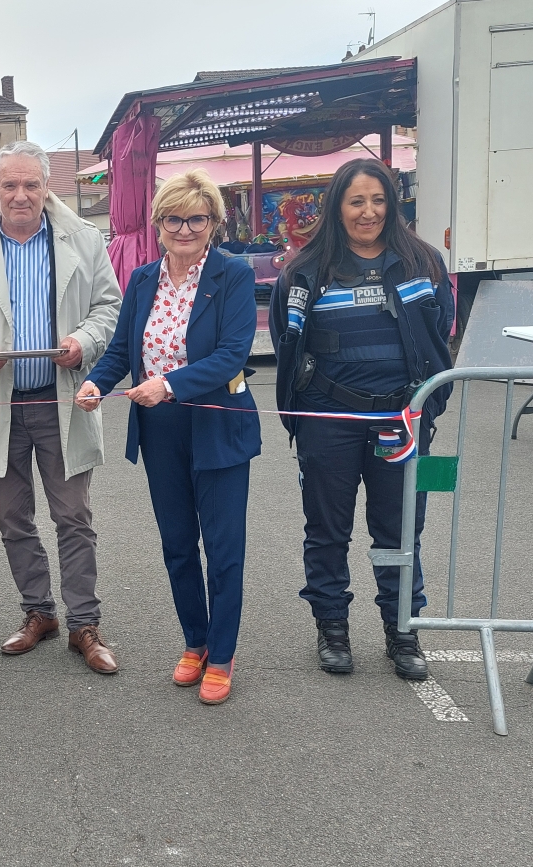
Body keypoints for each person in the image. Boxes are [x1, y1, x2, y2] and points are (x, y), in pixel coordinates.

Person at [0, 141, 122, 674]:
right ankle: (39, 612)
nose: (20, 195)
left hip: (60, 399)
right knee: (13, 518)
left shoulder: (82, 239)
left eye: (30, 184)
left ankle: (84, 623)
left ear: (45, 187)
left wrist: (84, 341)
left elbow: (109, 307)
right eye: (9, 185)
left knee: (73, 517)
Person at [77, 169, 261, 705]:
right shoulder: (142, 279)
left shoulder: (233, 275)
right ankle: (195, 643)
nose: (184, 229)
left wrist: (169, 384)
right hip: (160, 429)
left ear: (214, 224)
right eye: (173, 219)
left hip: (218, 426)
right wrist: (96, 382)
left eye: (196, 219)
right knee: (178, 545)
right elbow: (121, 350)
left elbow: (231, 354)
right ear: (158, 223)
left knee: (223, 550)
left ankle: (222, 655)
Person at [269, 158, 454, 680]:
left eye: (377, 200)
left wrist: (427, 405)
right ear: (337, 207)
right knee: (327, 531)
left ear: (391, 204)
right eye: (356, 201)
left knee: (400, 532)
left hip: (402, 420)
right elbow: (286, 341)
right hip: (328, 420)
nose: (368, 211)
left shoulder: (424, 263)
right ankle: (332, 628)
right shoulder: (305, 271)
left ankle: (403, 631)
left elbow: (441, 330)